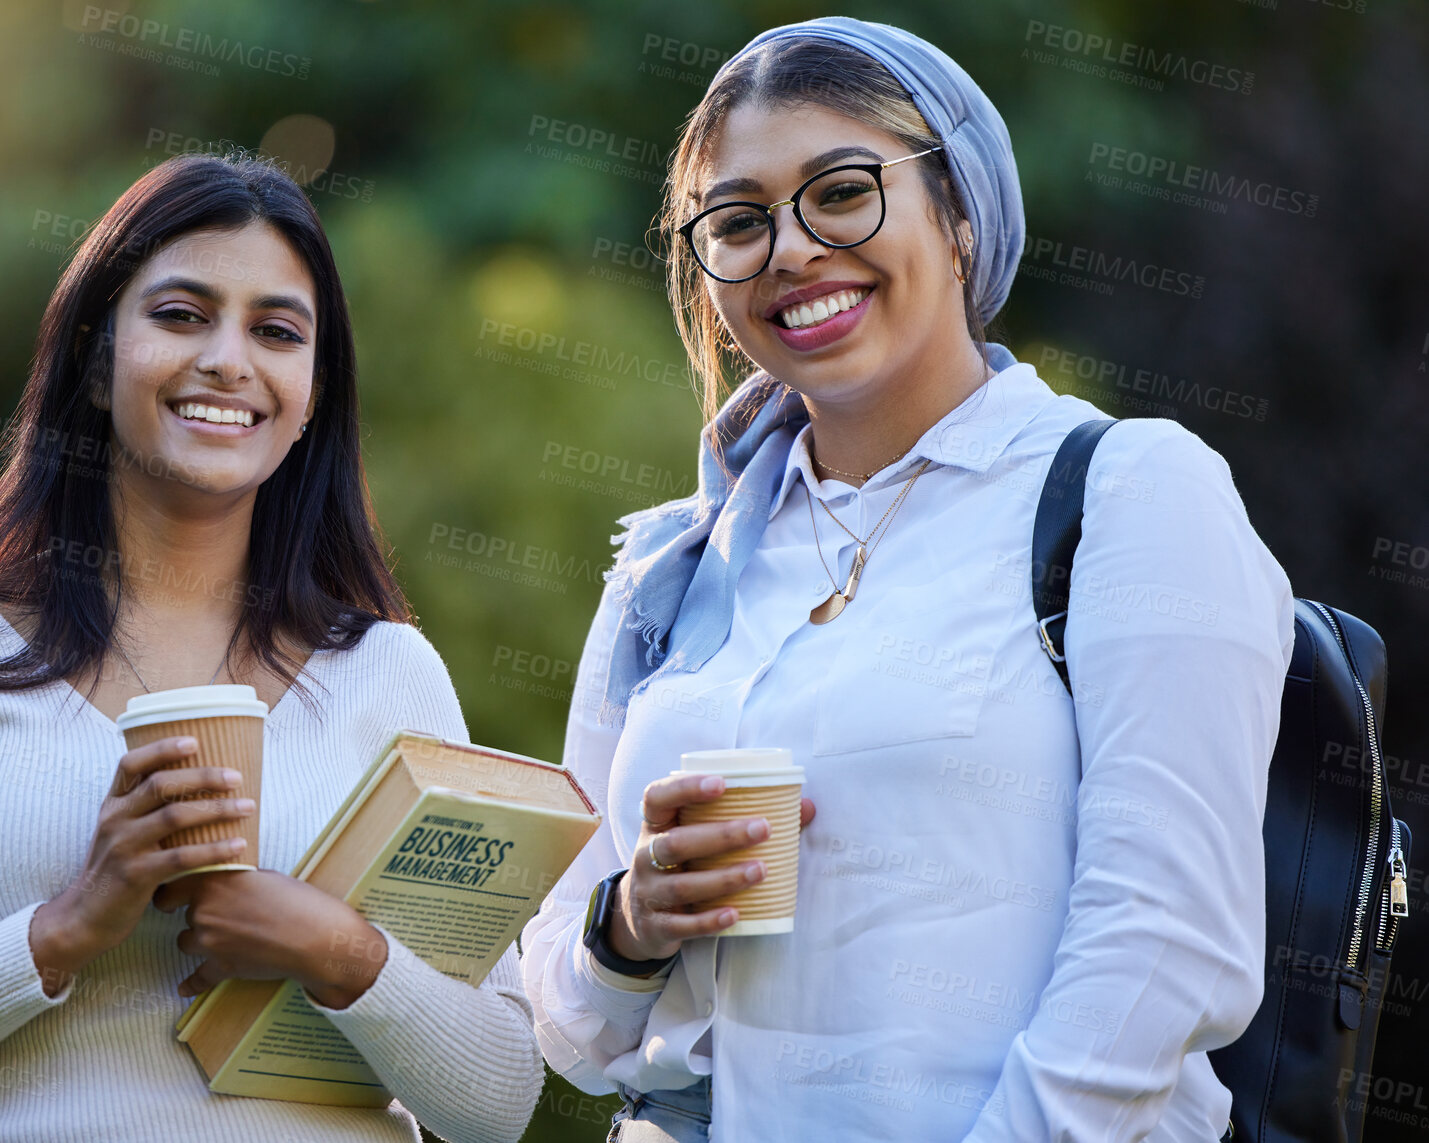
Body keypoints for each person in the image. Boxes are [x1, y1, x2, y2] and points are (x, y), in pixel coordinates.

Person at [521, 17, 1292, 1143]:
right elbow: (561, 1020)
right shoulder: (666, 569)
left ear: (961, 212)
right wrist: (629, 921)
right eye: (739, 222)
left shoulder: (1129, 493)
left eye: (842, 191)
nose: (789, 248)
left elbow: (1165, 947)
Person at [0, 153, 541, 1143]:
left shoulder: (388, 671)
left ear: (312, 391)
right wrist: (67, 928)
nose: (228, 361)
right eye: (180, 314)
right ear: (94, 352)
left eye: (277, 332)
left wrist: (334, 950)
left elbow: (500, 1102)